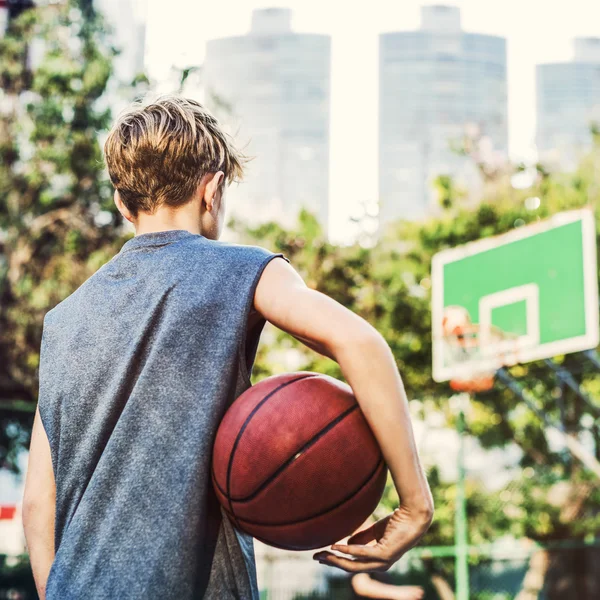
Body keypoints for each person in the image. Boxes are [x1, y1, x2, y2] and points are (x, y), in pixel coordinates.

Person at [21, 94, 434, 600]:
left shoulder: (62, 322)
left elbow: (40, 501)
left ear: (122, 203)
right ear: (212, 190)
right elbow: (361, 342)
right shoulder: (243, 270)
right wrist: (414, 506)